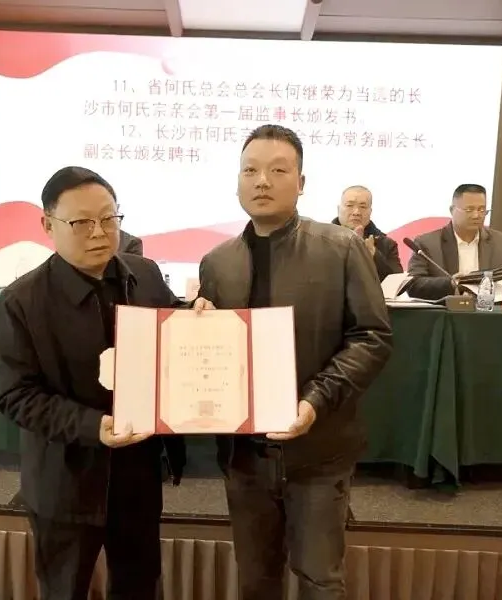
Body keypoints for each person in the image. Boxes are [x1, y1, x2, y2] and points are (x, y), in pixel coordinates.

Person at [196, 124, 393, 600]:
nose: (262, 181)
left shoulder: (341, 247)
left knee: (320, 580)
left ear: (301, 183)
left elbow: (372, 337)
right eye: (250, 170)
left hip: (319, 450)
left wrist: (315, 401)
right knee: (255, 580)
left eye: (278, 170)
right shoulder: (217, 262)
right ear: (237, 181)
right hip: (244, 457)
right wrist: (196, 324)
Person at [0, 166, 202, 600]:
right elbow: (16, 395)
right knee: (65, 589)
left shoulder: (144, 275)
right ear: (47, 225)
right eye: (81, 222)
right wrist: (94, 426)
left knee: (139, 587)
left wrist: (198, 320)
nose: (99, 233)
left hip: (137, 475)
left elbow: (169, 342)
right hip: (64, 480)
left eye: (109, 218)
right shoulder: (23, 301)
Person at [404, 183, 502, 300]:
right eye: (469, 210)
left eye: (482, 210)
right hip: (446, 310)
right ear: (452, 210)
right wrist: (449, 283)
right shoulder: (427, 243)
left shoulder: (501, 242)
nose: (476, 215)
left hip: (488, 308)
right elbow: (413, 285)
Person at [332, 185, 402, 279]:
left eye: (363, 207)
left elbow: (396, 280)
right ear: (338, 209)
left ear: (370, 211)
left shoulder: (386, 244)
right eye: (349, 205)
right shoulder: (321, 239)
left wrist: (374, 256)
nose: (356, 212)